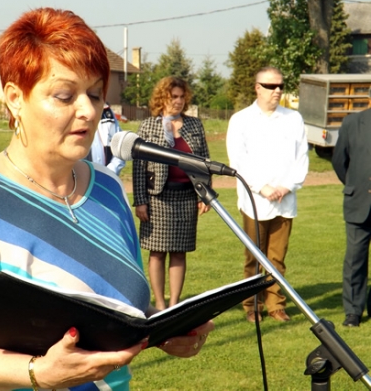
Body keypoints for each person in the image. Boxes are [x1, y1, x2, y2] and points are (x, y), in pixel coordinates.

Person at [0, 8, 214, 391]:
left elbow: (115, 310)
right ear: (15, 98)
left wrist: (162, 329)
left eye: (95, 93)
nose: (88, 110)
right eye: (64, 95)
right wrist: (37, 373)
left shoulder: (108, 190)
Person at [226, 66, 308, 323]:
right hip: (255, 201)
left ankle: (275, 304)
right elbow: (238, 160)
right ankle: (252, 305)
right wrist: (262, 187)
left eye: (280, 86)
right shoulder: (241, 120)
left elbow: (302, 156)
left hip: (285, 199)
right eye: (272, 86)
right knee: (254, 257)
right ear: (258, 88)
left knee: (277, 257)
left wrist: (287, 186)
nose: (277, 90)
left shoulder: (293, 119)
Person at [133, 76, 211, 311]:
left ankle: (175, 304)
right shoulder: (148, 126)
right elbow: (139, 167)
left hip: (186, 197)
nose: (178, 101)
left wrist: (204, 195)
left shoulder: (194, 125)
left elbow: (204, 162)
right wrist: (140, 201)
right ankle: (159, 304)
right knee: (157, 252)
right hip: (157, 198)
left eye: (181, 97)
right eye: (173, 96)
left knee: (179, 252)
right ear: (162, 98)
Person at [332, 107, 371, 328]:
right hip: (359, 203)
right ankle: (353, 312)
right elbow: (339, 161)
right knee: (355, 260)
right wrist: (355, 184)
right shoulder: (352, 123)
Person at [85, 102, 125, 175]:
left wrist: (109, 173)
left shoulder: (108, 113)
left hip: (107, 177)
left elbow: (120, 148)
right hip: (79, 178)